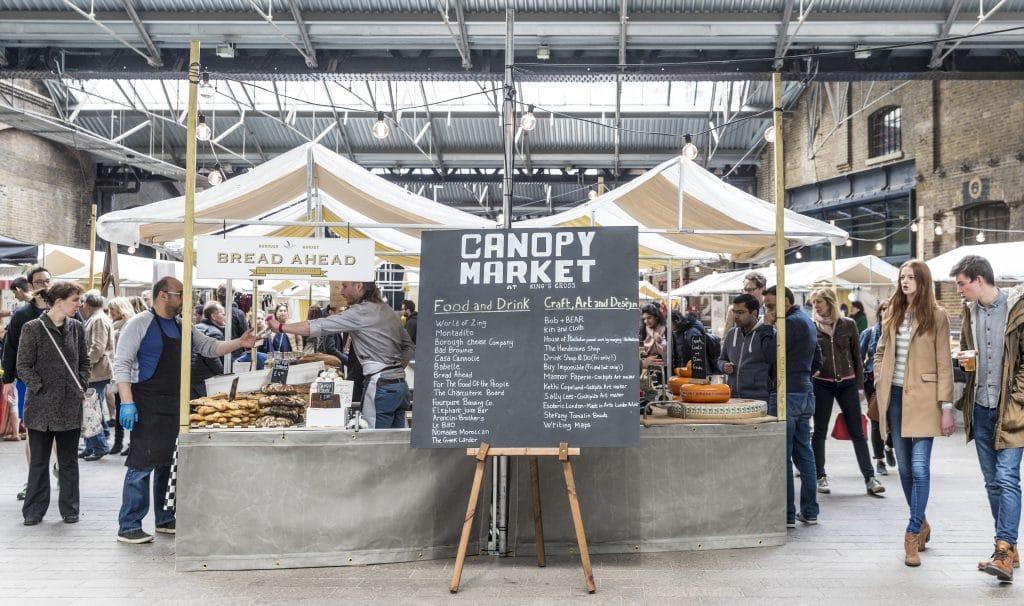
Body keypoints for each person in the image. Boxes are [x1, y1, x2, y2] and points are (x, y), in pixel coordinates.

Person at [113, 277, 257, 544]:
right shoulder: (138, 324)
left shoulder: (182, 325)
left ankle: (165, 518)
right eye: (180, 294)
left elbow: (210, 348)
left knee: (169, 463)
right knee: (141, 464)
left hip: (175, 403)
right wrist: (127, 402)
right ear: (163, 295)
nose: (184, 299)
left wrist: (240, 342)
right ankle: (129, 524)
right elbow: (121, 364)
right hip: (146, 403)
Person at [875, 260, 955, 567]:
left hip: (925, 399)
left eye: (911, 277)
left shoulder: (937, 315)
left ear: (923, 281)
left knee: (920, 468)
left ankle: (911, 533)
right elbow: (881, 350)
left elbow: (945, 363)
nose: (905, 281)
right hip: (894, 397)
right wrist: (879, 376)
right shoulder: (892, 311)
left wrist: (946, 407)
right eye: (902, 277)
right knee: (905, 470)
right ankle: (921, 521)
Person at [951, 255, 1024, 581]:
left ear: (979, 280)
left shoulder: (1017, 309)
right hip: (980, 406)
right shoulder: (969, 312)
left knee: (1007, 478)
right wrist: (965, 361)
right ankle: (1007, 546)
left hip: (1012, 408)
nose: (959, 290)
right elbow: (970, 356)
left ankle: (1003, 550)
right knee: (992, 482)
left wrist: (1017, 397)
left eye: (962, 284)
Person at [266, 281, 413, 429]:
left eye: (345, 286)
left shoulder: (360, 312)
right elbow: (408, 346)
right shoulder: (388, 310)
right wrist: (394, 370)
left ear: (359, 286)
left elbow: (319, 326)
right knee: (399, 438)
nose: (342, 292)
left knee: (375, 438)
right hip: (401, 385)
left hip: (380, 385)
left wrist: (280, 327)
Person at [16, 281, 89, 525]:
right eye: (75, 300)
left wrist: (81, 383)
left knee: (69, 462)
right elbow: (23, 366)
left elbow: (84, 362)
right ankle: (34, 510)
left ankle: (70, 509)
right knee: (39, 462)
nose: (79, 304)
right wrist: (41, 388)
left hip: (70, 405)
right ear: (59, 301)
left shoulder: (77, 328)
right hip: (40, 407)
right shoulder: (32, 328)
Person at [809, 287, 884, 497]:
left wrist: (860, 386)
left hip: (848, 383)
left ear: (830, 302)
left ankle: (870, 478)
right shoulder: (811, 326)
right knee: (820, 431)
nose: (816, 307)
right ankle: (820, 476)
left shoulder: (848, 324)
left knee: (857, 432)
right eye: (814, 303)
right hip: (821, 384)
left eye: (819, 302)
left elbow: (857, 357)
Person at [762, 285, 821, 527]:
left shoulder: (788, 324)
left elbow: (768, 355)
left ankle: (786, 513)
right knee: (804, 453)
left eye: (770, 306)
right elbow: (818, 359)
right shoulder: (807, 321)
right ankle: (810, 511)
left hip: (787, 393)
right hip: (805, 390)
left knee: (782, 454)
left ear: (785, 302)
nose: (767, 311)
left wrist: (767, 328)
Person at [3, 266, 52, 500]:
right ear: (31, 286)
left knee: (60, 432)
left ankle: (60, 470)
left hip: (60, 383)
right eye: (39, 282)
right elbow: (10, 347)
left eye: (48, 281)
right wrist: (7, 379)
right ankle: (34, 479)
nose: (45, 285)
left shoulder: (64, 310)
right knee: (33, 431)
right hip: (29, 382)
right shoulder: (22, 314)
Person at [860, 300, 895, 476]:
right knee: (876, 419)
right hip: (873, 382)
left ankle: (889, 446)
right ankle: (880, 460)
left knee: (895, 419)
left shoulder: (899, 333)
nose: (887, 311)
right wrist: (858, 385)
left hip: (895, 383)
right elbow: (858, 357)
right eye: (883, 309)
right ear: (879, 312)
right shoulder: (869, 333)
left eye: (890, 309)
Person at [79, 291, 115, 461]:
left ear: (87, 304)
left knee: (90, 409)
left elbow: (97, 348)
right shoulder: (97, 318)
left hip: (96, 372)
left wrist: (85, 365)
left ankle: (99, 446)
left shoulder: (98, 319)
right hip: (95, 372)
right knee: (91, 408)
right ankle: (92, 445)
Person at [718, 293, 772, 401]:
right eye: (734, 312)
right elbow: (721, 359)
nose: (736, 316)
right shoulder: (731, 334)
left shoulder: (766, 335)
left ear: (754, 313)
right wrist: (724, 366)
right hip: (733, 397)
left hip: (760, 399)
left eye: (741, 312)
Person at [106, 297, 136, 456]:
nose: (111, 312)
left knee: (128, 408)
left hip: (128, 374)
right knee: (119, 409)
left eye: (113, 309)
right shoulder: (114, 325)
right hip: (117, 372)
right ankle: (118, 442)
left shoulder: (129, 325)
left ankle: (131, 443)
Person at [191, 301, 226, 398]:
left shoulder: (196, 327)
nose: (225, 317)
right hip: (206, 381)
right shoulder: (214, 332)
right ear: (214, 316)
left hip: (192, 378)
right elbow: (212, 358)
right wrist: (223, 374)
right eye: (223, 314)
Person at [638, 303, 666, 375]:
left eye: (649, 318)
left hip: (662, 368)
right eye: (644, 319)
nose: (646, 321)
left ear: (656, 317)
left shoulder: (665, 330)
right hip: (645, 369)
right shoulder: (643, 331)